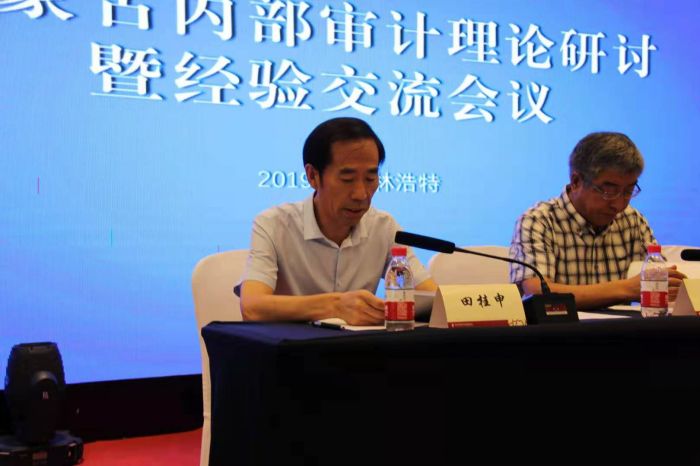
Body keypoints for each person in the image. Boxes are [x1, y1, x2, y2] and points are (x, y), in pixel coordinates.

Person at [239, 117, 438, 324]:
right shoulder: (273, 224)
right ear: (313, 176)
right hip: (291, 344)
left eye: (370, 179)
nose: (361, 194)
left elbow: (434, 299)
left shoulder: (384, 227)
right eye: (347, 179)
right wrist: (335, 306)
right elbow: (252, 307)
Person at [509, 131, 686, 310]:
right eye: (609, 191)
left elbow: (659, 281)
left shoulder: (632, 220)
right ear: (576, 181)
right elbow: (537, 292)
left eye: (628, 191)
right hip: (562, 327)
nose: (619, 204)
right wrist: (627, 289)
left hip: (623, 328)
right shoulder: (539, 220)